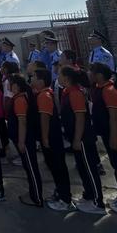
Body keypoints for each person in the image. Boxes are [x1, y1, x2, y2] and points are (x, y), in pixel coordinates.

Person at [59, 66, 106, 214]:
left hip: (83, 138)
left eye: (60, 75)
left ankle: (98, 203)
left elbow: (80, 118)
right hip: (76, 137)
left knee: (89, 168)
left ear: (66, 78)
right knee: (82, 168)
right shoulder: (68, 92)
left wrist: (77, 139)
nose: (58, 77)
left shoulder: (75, 94)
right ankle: (89, 195)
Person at [32, 68, 74, 211]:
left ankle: (65, 199)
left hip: (51, 138)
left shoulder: (44, 96)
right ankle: (60, 193)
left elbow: (44, 118)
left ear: (41, 81)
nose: (31, 80)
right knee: (55, 168)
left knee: (58, 168)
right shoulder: (44, 94)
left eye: (34, 78)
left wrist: (44, 138)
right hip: (51, 137)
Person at [8, 75, 43, 207]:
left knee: (31, 168)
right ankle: (33, 192)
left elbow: (22, 122)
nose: (8, 86)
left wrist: (21, 142)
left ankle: (36, 197)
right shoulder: (20, 97)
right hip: (23, 139)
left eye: (10, 84)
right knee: (28, 167)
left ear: (16, 86)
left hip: (25, 140)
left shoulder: (20, 100)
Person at [89, 62, 117, 213]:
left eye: (92, 72)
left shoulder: (109, 91)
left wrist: (114, 137)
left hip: (112, 134)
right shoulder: (99, 89)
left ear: (99, 75)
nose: (89, 74)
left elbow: (114, 117)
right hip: (106, 133)